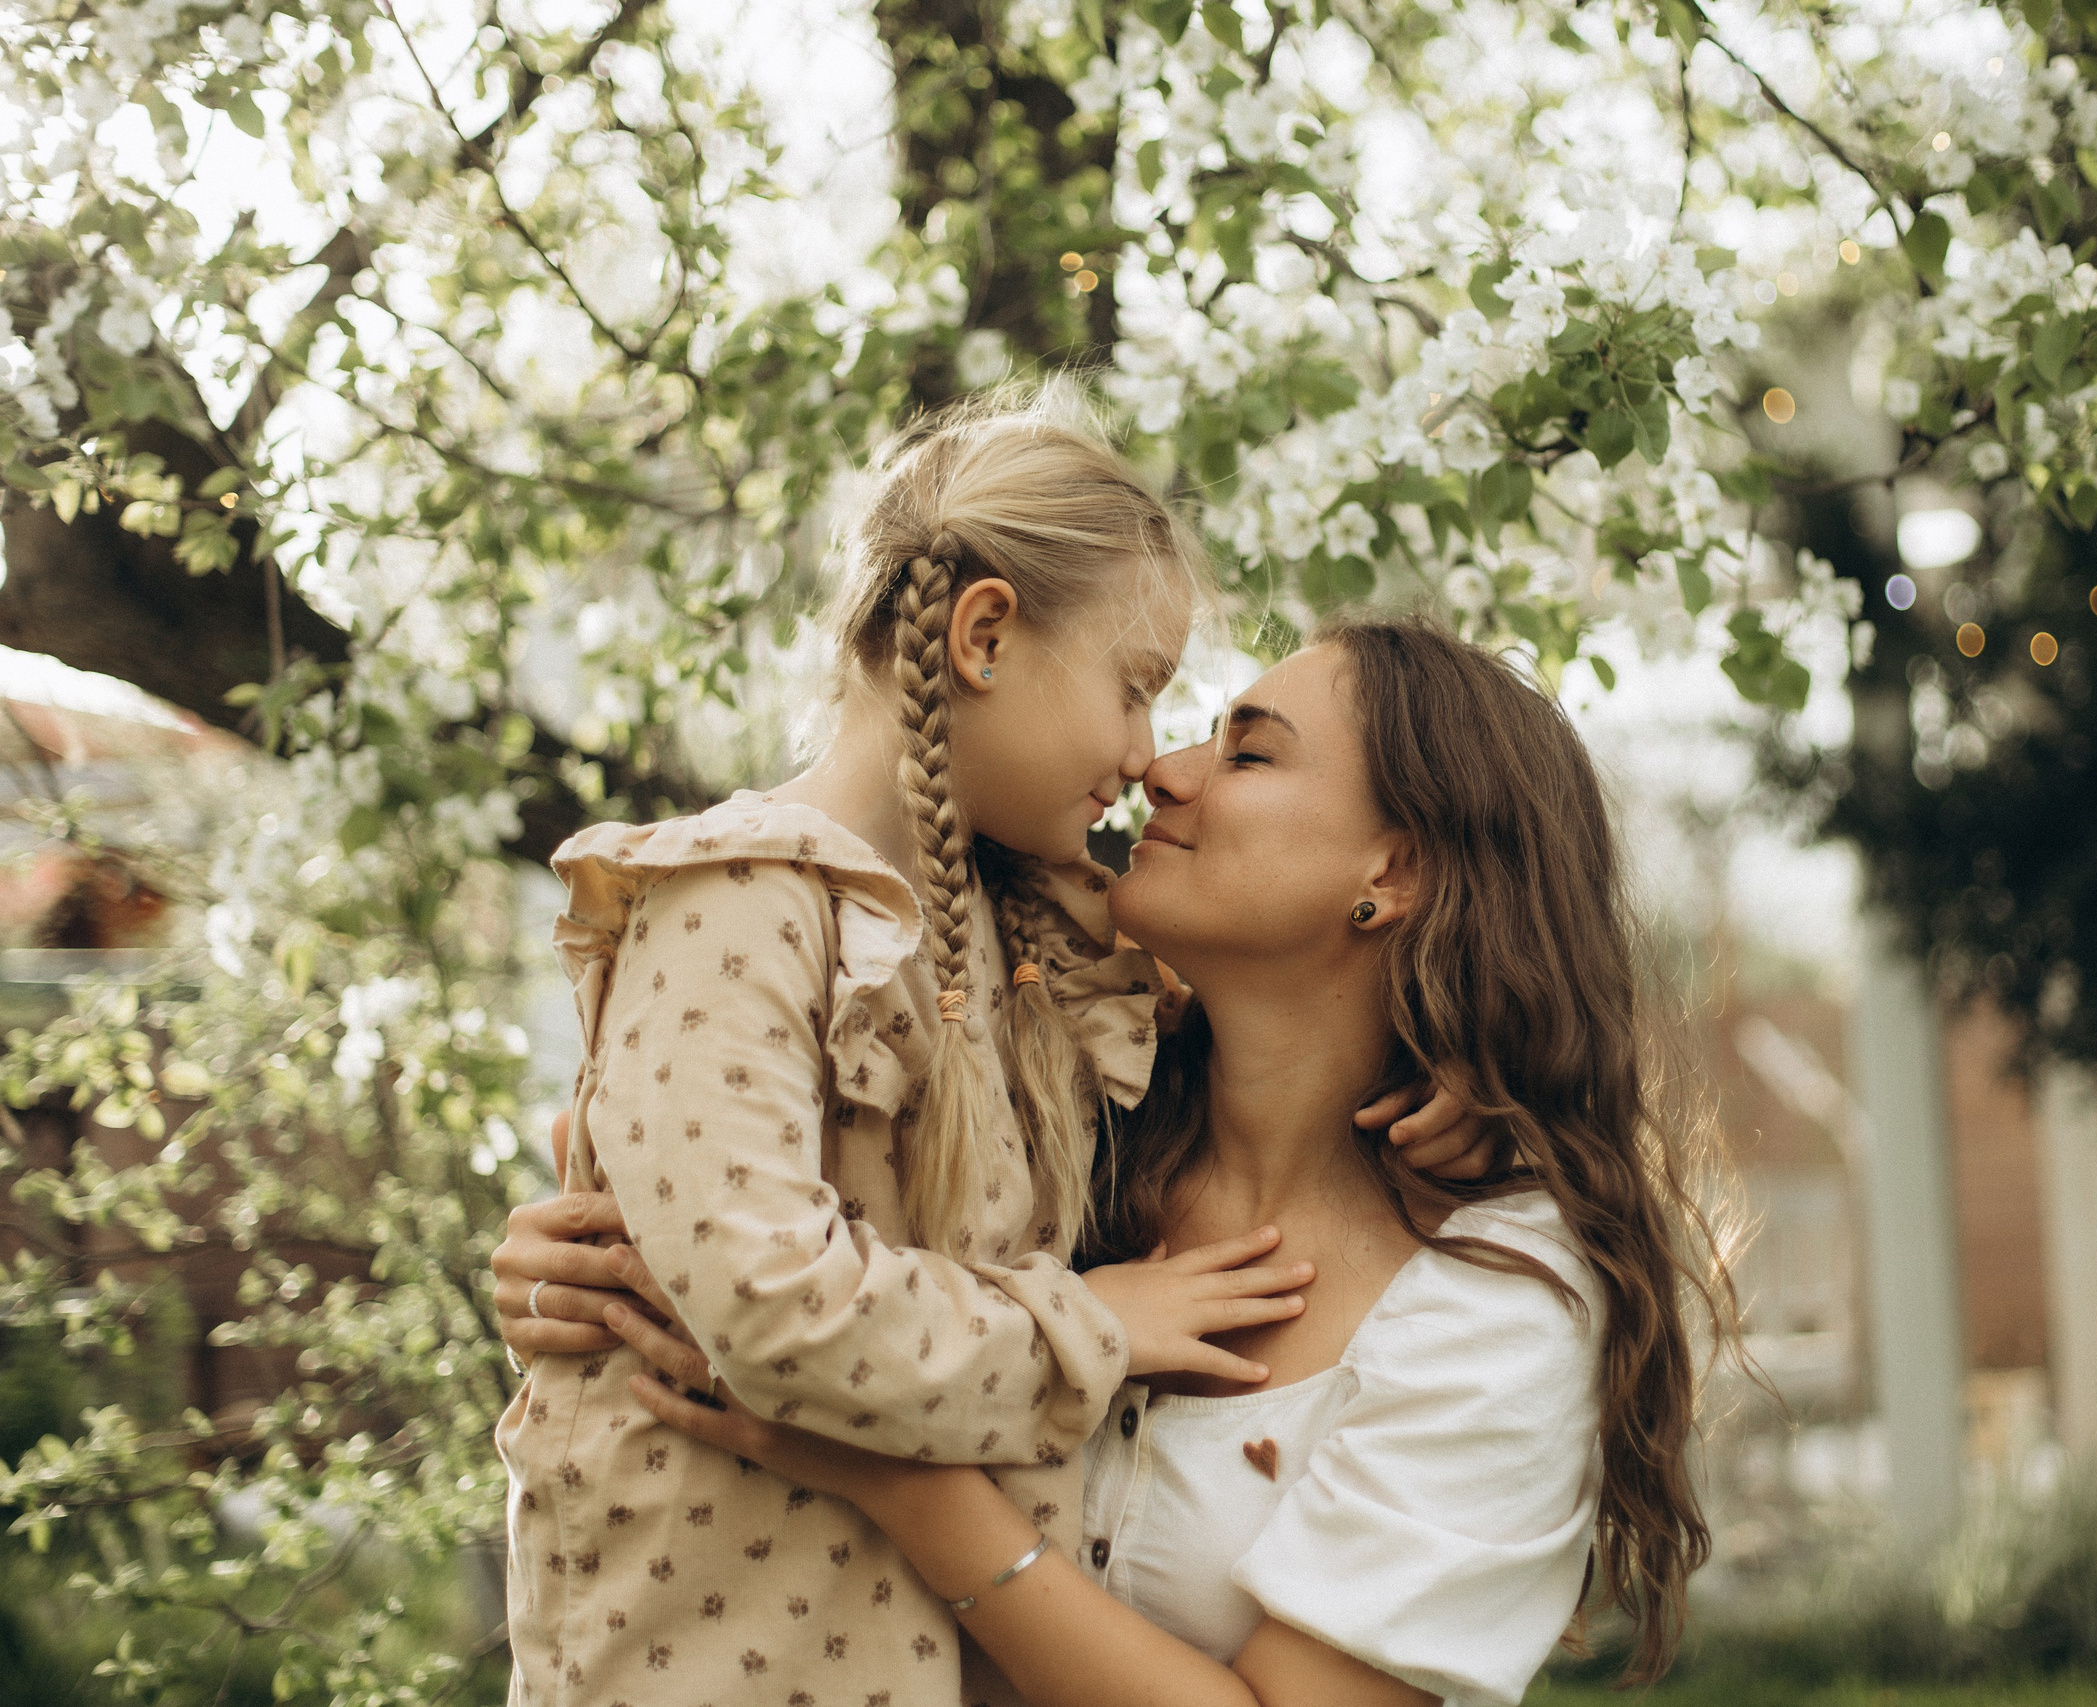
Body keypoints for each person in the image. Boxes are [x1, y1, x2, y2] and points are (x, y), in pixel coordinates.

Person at [490, 391, 1486, 1707]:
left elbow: (1296, 1014)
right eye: (1135, 690)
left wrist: (1455, 1064)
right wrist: (1094, 1324)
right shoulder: (735, 901)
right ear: (985, 634)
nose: (1146, 758)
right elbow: (771, 1307)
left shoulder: (1030, 946)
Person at [600, 618, 1734, 1707]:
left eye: (1247, 753)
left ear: (1394, 867)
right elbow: (774, 1237)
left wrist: (892, 1470)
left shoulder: (1497, 1297)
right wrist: (589, 1249)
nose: (1163, 771)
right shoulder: (1062, 1130)